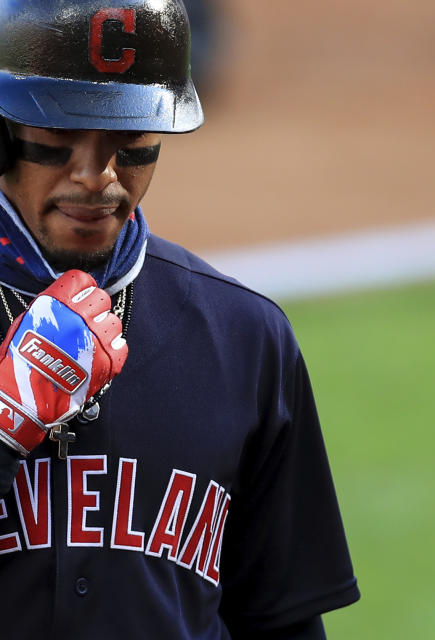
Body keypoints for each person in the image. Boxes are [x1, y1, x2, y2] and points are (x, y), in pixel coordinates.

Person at [0, 1, 360, 638]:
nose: (97, 177)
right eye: (59, 137)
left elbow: (283, 622)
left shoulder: (245, 337)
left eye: (129, 141)